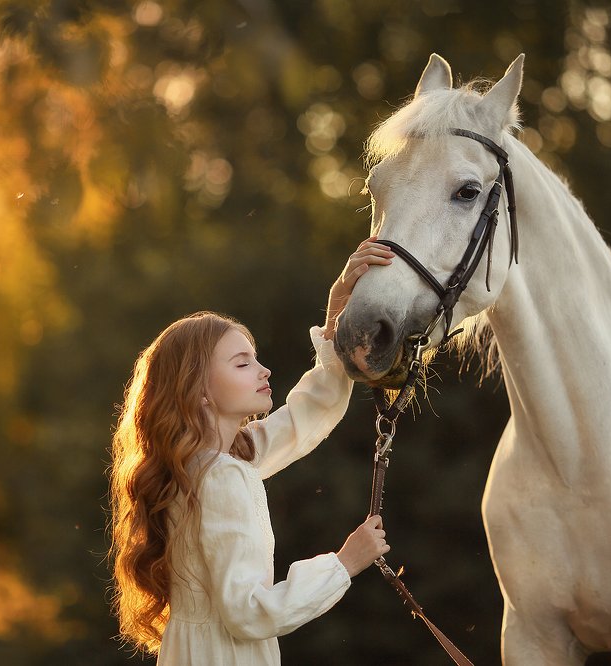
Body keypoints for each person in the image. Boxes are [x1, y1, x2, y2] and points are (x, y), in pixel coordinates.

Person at [108, 238, 396, 664]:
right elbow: (247, 613)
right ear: (199, 390)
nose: (264, 371)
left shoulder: (206, 464)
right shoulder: (222, 476)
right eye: (242, 363)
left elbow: (306, 417)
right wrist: (343, 563)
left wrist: (338, 309)